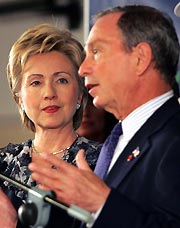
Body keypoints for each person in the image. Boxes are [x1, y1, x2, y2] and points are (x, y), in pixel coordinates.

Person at [29, 5, 180, 228]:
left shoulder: (174, 137)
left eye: (97, 52)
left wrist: (102, 203)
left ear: (140, 58)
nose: (83, 69)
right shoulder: (118, 138)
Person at [0, 23, 102, 228]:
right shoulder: (3, 165)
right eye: (36, 82)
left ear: (80, 94)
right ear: (19, 97)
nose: (49, 93)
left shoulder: (103, 163)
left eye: (62, 80)